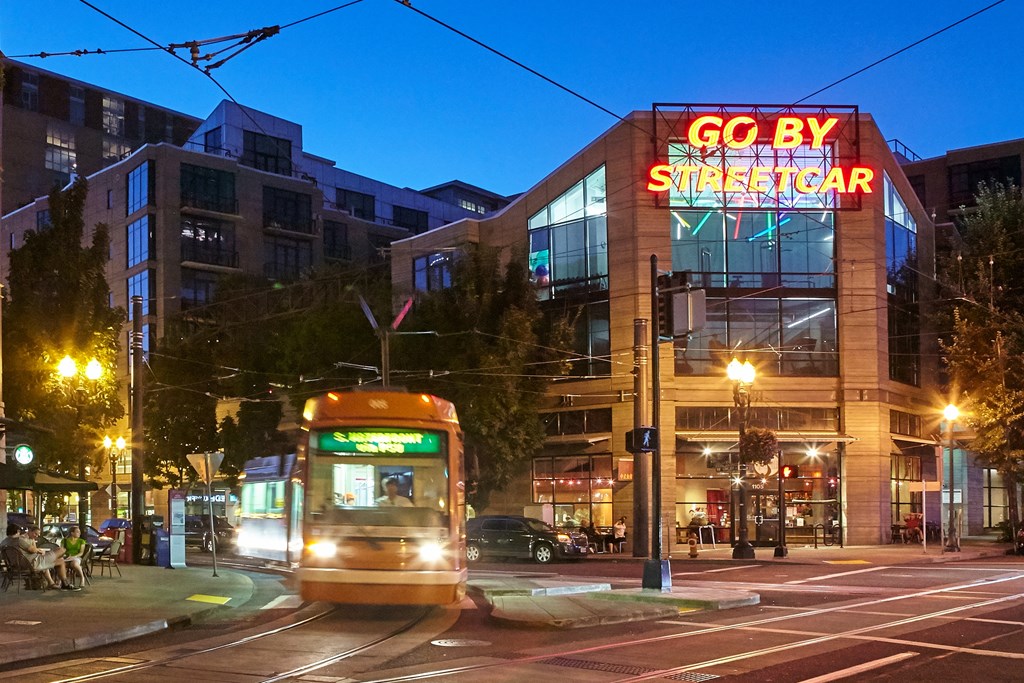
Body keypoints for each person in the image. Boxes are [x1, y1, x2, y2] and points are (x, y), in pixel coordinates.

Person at [3, 524, 78, 590]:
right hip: (32, 563)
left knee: (60, 561)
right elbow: (32, 550)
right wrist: (39, 551)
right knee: (61, 550)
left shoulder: (4, 542)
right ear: (17, 531)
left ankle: (52, 583)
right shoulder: (18, 540)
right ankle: (64, 582)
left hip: (16, 566)